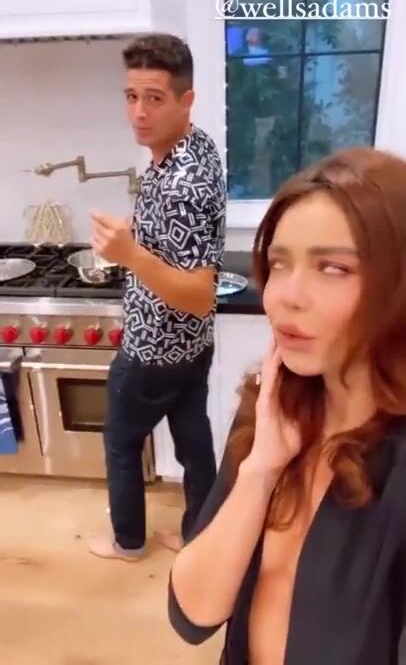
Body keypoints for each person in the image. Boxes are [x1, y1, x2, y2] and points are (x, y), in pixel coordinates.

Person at [168, 146, 406, 664]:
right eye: (278, 264)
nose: (285, 296)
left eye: (334, 268)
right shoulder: (273, 409)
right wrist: (261, 471)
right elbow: (193, 613)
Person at [88, 33, 226, 560]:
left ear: (186, 100)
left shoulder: (179, 185)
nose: (139, 113)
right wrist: (141, 236)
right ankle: (200, 535)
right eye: (131, 96)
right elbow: (183, 249)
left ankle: (127, 543)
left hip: (154, 349)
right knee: (194, 441)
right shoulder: (194, 146)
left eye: (154, 98)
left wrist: (129, 253)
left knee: (121, 443)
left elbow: (198, 294)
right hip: (193, 345)